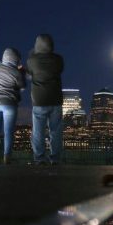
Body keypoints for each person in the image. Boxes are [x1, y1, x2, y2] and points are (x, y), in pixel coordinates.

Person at [27, 34, 64, 165]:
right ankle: (55, 159)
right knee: (56, 131)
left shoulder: (32, 61)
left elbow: (29, 73)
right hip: (56, 100)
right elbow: (60, 70)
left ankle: (39, 158)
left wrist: (34, 52)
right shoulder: (58, 60)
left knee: (38, 132)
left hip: (39, 100)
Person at [0, 48, 26, 165]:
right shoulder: (16, 73)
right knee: (8, 132)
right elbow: (23, 87)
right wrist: (21, 72)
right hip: (9, 104)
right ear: (16, 59)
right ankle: (7, 158)